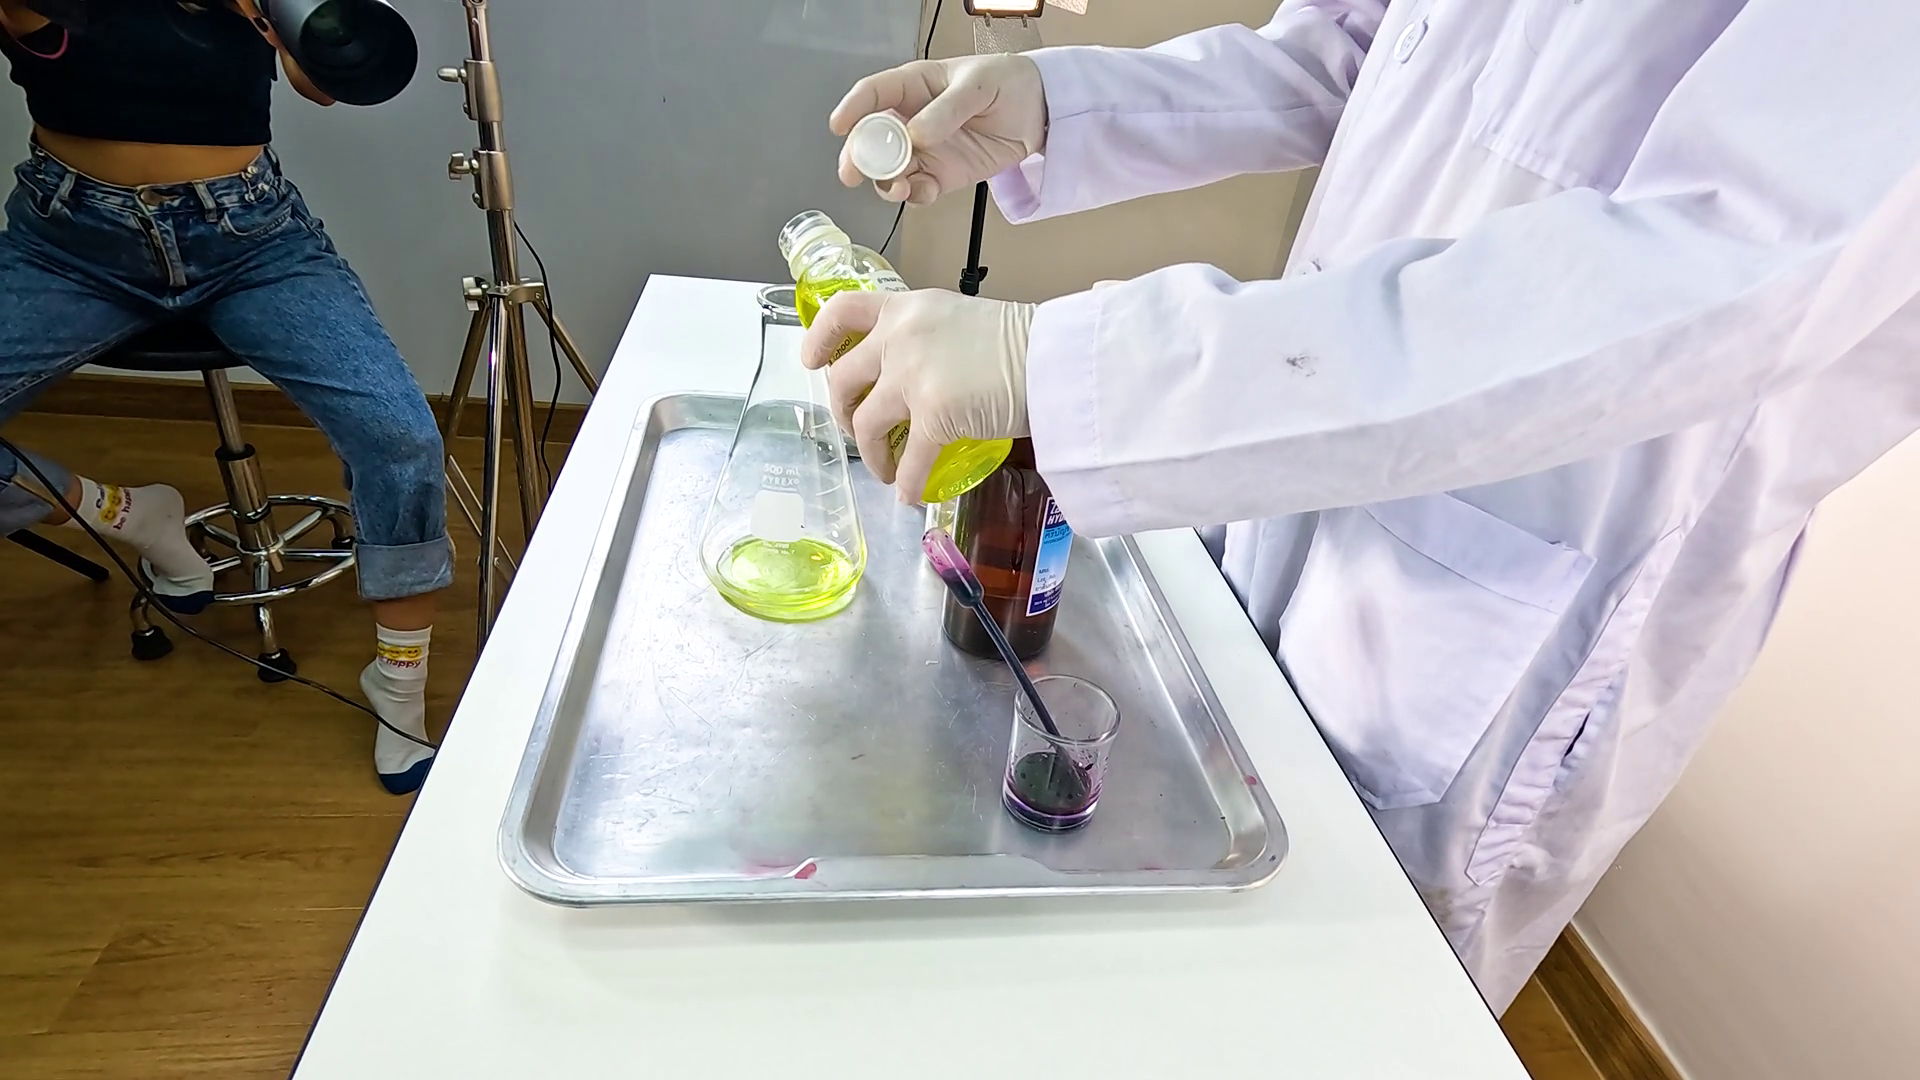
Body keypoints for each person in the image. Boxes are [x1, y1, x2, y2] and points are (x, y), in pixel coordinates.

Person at [805, 0, 1920, 1012]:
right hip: (1298, 446)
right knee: (1176, 945)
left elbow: (1717, 278)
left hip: (1532, 570)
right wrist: (1063, 103)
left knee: (1335, 1000)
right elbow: (1372, 46)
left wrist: (1070, 370)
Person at [0, 0, 446, 794]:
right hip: (71, 244)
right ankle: (128, 516)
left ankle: (399, 682)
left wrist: (286, 24)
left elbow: (323, 83)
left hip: (246, 238)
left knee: (399, 438)